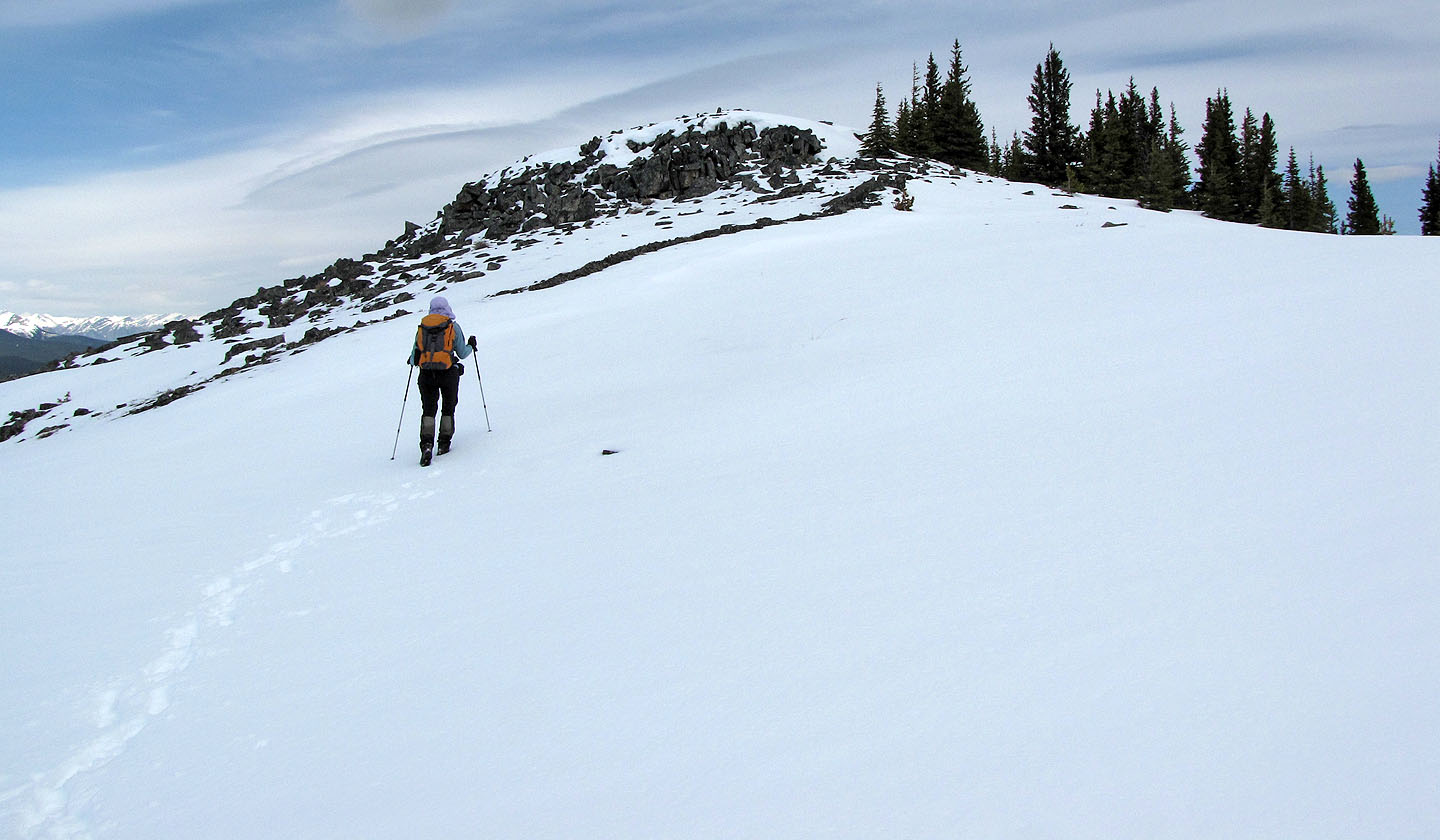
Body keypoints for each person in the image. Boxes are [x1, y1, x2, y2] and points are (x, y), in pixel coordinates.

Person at [407, 296, 475, 466]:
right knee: (448, 407)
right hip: (448, 373)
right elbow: (462, 353)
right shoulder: (452, 327)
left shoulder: (423, 328)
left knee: (429, 409)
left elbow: (414, 357)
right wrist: (471, 346)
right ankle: (444, 443)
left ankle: (427, 444)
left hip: (426, 375)